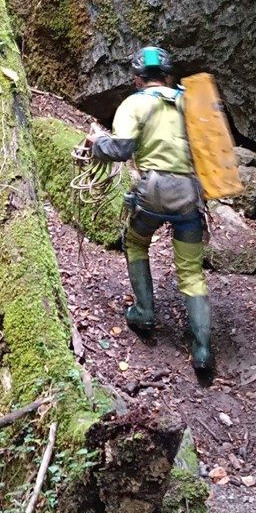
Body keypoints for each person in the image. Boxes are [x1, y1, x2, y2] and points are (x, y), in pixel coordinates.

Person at [88, 45, 213, 375]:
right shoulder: (188, 102)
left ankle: (144, 313)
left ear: (136, 78)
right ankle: (202, 349)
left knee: (135, 241)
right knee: (191, 271)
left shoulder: (134, 103)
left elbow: (121, 149)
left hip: (154, 191)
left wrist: (96, 143)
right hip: (190, 193)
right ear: (168, 76)